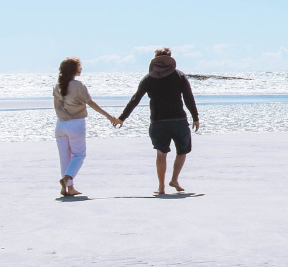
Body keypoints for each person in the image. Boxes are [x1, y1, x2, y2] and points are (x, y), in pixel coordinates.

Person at [118, 48, 200, 194]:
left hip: (158, 121)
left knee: (161, 153)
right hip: (178, 120)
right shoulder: (179, 76)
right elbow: (188, 97)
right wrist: (195, 117)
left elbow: (135, 99)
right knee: (182, 150)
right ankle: (174, 179)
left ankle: (161, 187)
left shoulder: (149, 78)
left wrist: (122, 118)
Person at [53, 57, 121, 197]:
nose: (81, 69)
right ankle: (68, 178)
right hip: (76, 124)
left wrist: (64, 118)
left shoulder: (57, 86)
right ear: (74, 70)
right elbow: (91, 103)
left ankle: (69, 188)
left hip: (60, 125)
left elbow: (56, 107)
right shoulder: (78, 86)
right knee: (79, 155)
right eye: (79, 67)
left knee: (64, 157)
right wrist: (109, 117)